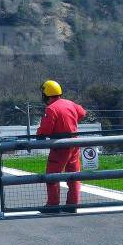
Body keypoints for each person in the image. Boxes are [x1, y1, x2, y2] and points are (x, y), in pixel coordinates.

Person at [36, 80, 87, 214]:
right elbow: (82, 113)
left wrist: (39, 133)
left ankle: (53, 206)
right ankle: (72, 205)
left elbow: (46, 130)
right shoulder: (70, 103)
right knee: (74, 176)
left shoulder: (51, 109)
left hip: (59, 146)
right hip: (74, 144)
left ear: (46, 95)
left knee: (52, 176)